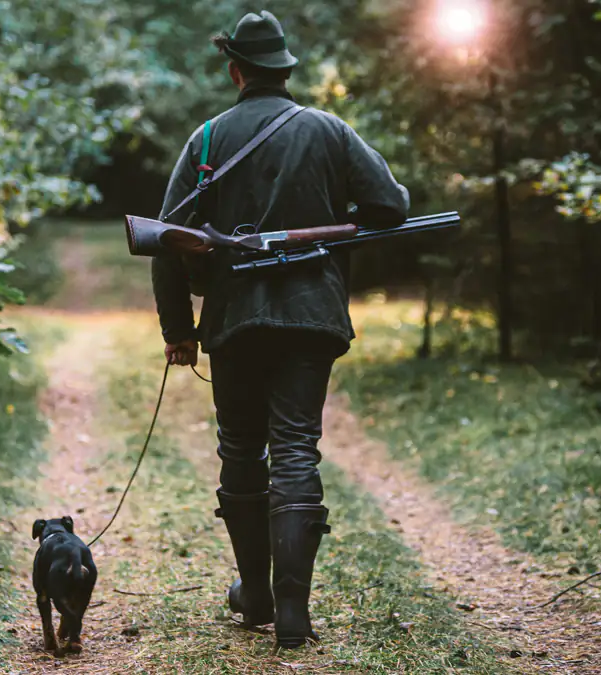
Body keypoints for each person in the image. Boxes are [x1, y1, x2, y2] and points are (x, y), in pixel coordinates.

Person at [150, 10, 409, 649]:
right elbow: (392, 208)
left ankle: (256, 594)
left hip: (235, 319)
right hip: (311, 316)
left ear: (237, 70)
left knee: (241, 448)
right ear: (285, 70)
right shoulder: (329, 130)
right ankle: (292, 612)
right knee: (296, 447)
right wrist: (331, 218)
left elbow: (164, 242)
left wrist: (180, 328)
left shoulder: (207, 140)